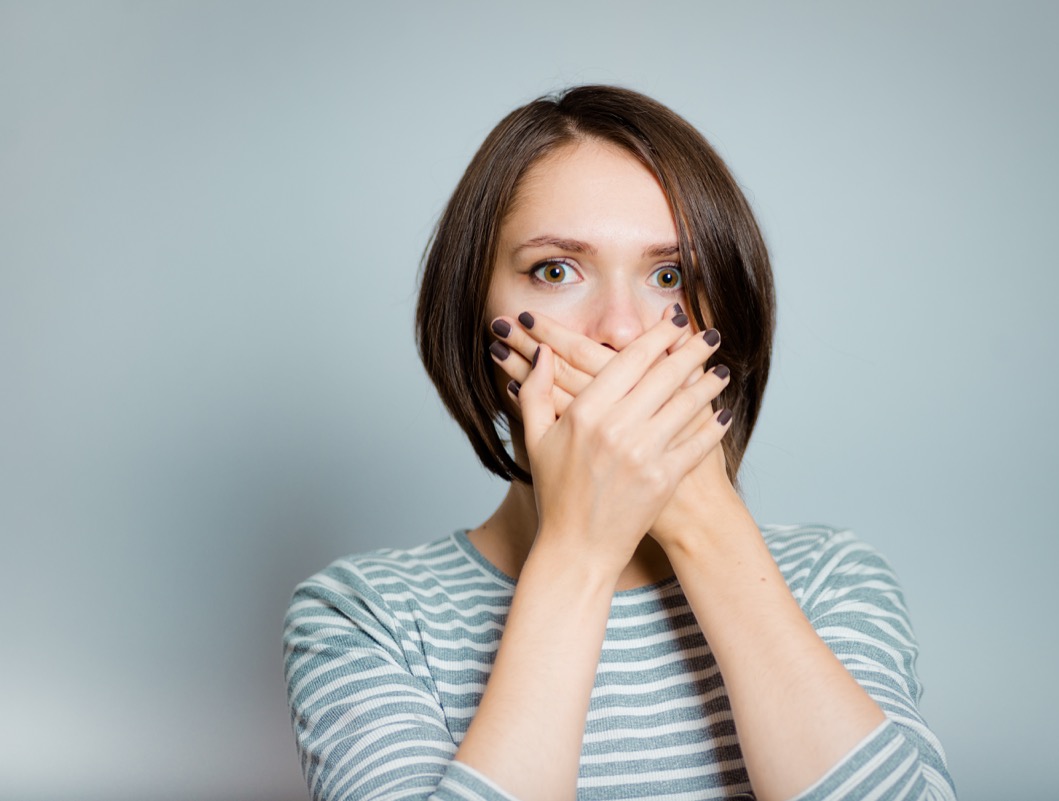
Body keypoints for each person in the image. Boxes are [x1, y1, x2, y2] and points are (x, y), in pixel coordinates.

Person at [283, 85, 955, 801]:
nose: (622, 330)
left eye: (670, 276)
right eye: (555, 270)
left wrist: (702, 521)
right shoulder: (366, 615)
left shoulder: (831, 579)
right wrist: (577, 552)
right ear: (475, 309)